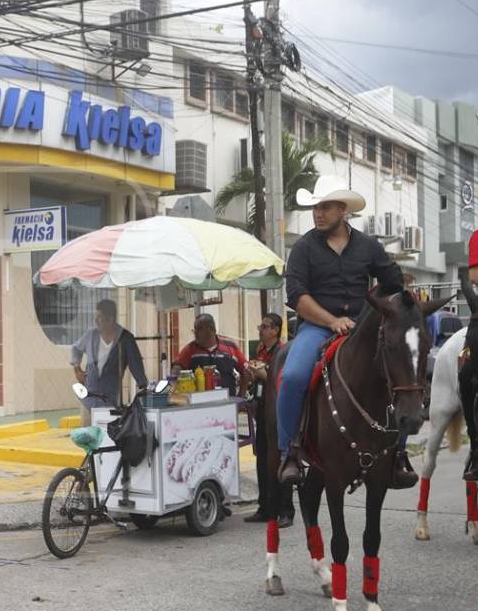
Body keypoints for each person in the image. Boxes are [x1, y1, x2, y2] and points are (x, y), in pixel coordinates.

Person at [276, 175, 412, 489]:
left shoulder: (369, 246)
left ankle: (398, 455)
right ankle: (290, 452)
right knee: (293, 376)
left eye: (325, 207)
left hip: (362, 328)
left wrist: (376, 306)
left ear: (342, 209)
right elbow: (297, 296)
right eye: (315, 207)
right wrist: (331, 321)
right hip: (316, 328)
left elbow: (393, 280)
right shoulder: (302, 248)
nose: (318, 213)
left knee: (400, 377)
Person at [243, 313, 293, 526]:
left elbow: (282, 381)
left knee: (280, 459)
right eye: (260, 325)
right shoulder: (261, 351)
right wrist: (252, 375)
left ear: (275, 330)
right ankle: (265, 507)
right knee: (262, 459)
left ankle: (285, 510)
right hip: (262, 409)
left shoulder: (283, 352)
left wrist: (265, 375)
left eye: (265, 327)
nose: (260, 330)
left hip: (278, 412)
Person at [71, 298, 148, 426]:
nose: (96, 320)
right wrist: (77, 368)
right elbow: (76, 348)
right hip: (88, 401)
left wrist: (144, 386)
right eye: (96, 317)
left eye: (99, 317)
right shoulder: (91, 335)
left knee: (106, 440)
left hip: (110, 402)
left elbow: (136, 364)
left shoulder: (125, 338)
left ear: (110, 319)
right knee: (88, 440)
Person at [174, 313, 249, 395]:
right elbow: (175, 371)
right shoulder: (190, 349)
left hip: (227, 403)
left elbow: (246, 372)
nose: (195, 333)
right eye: (194, 330)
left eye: (198, 329)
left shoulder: (230, 346)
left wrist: (241, 397)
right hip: (200, 404)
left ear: (211, 329)